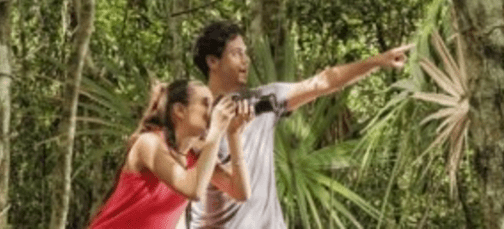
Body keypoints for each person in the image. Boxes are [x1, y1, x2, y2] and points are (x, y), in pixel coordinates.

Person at [190, 21, 413, 229]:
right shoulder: (196, 120)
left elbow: (323, 82)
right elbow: (231, 186)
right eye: (237, 54)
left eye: (245, 53)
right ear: (213, 62)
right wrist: (231, 133)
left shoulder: (264, 100)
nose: (245, 60)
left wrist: (375, 62)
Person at [88, 79, 253, 229]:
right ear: (180, 111)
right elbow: (193, 189)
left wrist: (233, 135)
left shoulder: (195, 156)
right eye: (205, 103)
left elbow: (240, 191)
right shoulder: (149, 144)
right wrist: (216, 130)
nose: (212, 111)